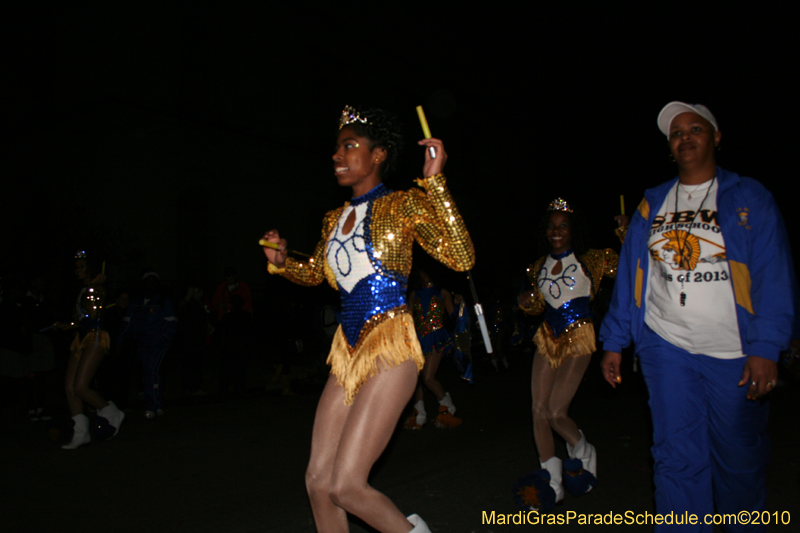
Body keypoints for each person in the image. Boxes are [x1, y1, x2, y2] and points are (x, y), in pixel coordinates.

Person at [262, 106, 474, 533]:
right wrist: (283, 263)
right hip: (348, 350)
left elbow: (462, 257)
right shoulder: (332, 220)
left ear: (378, 155)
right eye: (337, 147)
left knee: (346, 486)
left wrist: (436, 184)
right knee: (318, 482)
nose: (338, 155)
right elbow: (319, 274)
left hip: (391, 344)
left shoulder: (403, 204)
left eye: (349, 145)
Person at [599, 102, 794, 532]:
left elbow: (772, 274)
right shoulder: (652, 204)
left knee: (739, 463)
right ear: (670, 147)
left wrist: (765, 348)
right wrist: (614, 340)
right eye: (676, 133)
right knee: (676, 458)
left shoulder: (749, 197)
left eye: (696, 129)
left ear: (716, 137)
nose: (685, 137)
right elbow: (633, 276)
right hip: (667, 346)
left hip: (734, 352)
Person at [515, 199, 623, 510]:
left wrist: (627, 233)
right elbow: (536, 305)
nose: (556, 231)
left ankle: (582, 449)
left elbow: (633, 267)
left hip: (580, 336)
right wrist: (525, 301)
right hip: (547, 337)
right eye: (551, 226)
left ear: (572, 230)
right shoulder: (538, 267)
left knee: (555, 412)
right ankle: (552, 481)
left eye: (562, 226)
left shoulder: (593, 260)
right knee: (537, 409)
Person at [60, 251, 124, 449]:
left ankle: (111, 412)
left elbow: (95, 314)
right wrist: (65, 325)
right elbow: (81, 319)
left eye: (82, 266)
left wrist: (94, 287)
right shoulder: (84, 289)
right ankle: (81, 433)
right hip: (81, 338)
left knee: (80, 386)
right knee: (70, 388)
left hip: (96, 336)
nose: (78, 270)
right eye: (76, 267)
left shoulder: (96, 288)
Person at [406, 269, 461, 430]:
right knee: (415, 379)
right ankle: (419, 414)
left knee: (428, 378)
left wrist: (458, 305)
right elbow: (408, 318)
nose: (424, 274)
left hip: (436, 337)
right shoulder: (414, 294)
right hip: (418, 338)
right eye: (422, 272)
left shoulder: (442, 292)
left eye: (426, 271)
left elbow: (453, 316)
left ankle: (447, 408)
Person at [121, 271, 177, 418]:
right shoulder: (136, 302)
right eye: (147, 281)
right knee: (148, 373)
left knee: (152, 372)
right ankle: (155, 404)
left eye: (153, 282)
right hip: (141, 344)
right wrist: (122, 341)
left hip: (157, 344)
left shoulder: (162, 301)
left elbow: (171, 323)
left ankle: (153, 406)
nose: (150, 285)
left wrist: (162, 339)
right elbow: (127, 324)